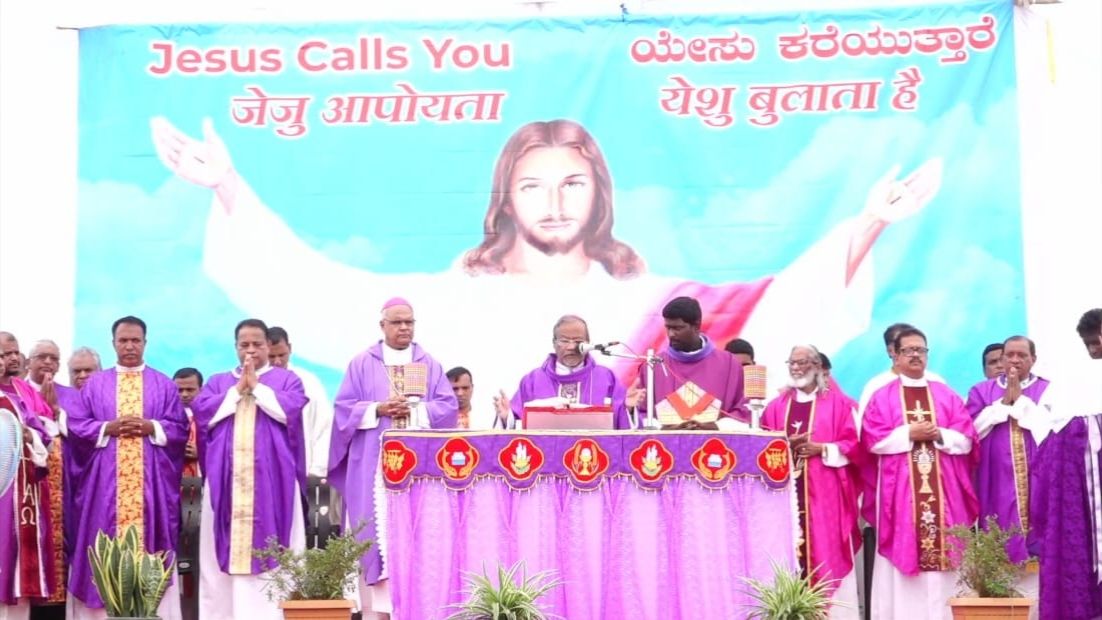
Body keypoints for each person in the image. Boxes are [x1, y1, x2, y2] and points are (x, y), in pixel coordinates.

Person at [150, 117, 942, 439]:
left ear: (600, 193)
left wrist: (870, 221)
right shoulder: (453, 295)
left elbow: (777, 305)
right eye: (533, 185)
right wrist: (228, 186)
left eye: (573, 183)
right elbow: (316, 289)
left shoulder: (646, 299)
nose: (555, 202)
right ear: (506, 196)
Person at [328, 298, 457, 619]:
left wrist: (415, 410)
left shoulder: (429, 364)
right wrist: (379, 408)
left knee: (418, 536)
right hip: (374, 468)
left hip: (418, 471)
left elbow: (447, 408)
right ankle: (376, 612)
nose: (404, 328)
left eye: (409, 322)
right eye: (397, 322)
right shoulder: (362, 364)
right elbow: (343, 409)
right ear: (382, 325)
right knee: (375, 534)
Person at [65, 316, 188, 620]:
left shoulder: (163, 384)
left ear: (145, 342)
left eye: (135, 340)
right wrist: (107, 428)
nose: (130, 346)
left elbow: (179, 429)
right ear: (113, 343)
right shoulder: (96, 384)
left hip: (150, 487)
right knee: (101, 541)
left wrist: (151, 427)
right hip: (104, 487)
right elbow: (77, 426)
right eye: (123, 340)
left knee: (151, 546)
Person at [190, 319, 307, 620]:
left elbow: (291, 412)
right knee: (218, 561)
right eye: (244, 345)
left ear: (268, 346)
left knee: (278, 553)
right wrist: (236, 391)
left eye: (257, 344)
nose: (251, 350)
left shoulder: (286, 380)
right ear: (235, 347)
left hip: (274, 483)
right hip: (225, 483)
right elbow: (203, 413)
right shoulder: (218, 382)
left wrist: (257, 388)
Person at [860, 327, 978, 620]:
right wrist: (908, 433)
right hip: (901, 494)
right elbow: (872, 440)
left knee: (949, 551)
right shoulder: (882, 396)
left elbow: (967, 439)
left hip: (945, 495)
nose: (915, 355)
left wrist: (939, 434)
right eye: (908, 350)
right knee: (904, 552)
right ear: (895, 355)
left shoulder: (946, 394)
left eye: (921, 350)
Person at [761, 345, 861, 619]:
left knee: (827, 552)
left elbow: (856, 447)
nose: (796, 368)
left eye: (802, 362)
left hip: (825, 496)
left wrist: (823, 449)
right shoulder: (776, 407)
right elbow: (762, 449)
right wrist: (785, 444)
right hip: (785, 499)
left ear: (817, 366)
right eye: (792, 363)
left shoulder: (840, 405)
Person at [1027, 308, 1102, 620]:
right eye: (1089, 344)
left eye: (1096, 341)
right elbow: (1049, 439)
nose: (1094, 350)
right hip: (1081, 486)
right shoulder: (1072, 385)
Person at [965, 335, 1049, 613]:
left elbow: (1051, 429)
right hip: (996, 482)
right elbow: (970, 431)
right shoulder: (981, 391)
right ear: (1001, 359)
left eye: (1021, 355)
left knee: (1042, 534)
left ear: (1033, 359)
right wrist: (1002, 406)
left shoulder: (1048, 390)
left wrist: (1022, 403)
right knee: (998, 536)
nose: (1014, 360)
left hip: (1039, 480)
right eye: (1009, 355)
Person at [494, 315, 641, 430]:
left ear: (588, 344)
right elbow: (518, 426)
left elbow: (622, 430)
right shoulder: (532, 381)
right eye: (564, 341)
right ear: (554, 343)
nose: (571, 347)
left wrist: (628, 409)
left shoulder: (606, 378)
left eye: (578, 341)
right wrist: (507, 417)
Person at [0, 332, 55, 620]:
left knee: (18, 570)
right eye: (3, 354)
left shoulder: (22, 392)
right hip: (2, 493)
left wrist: (28, 435)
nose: (10, 359)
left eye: (14, 353)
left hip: (23, 492)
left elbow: (43, 431)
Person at [636, 297, 750, 430]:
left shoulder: (729, 365)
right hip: (665, 443)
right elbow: (640, 413)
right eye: (668, 327)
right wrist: (663, 428)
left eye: (678, 328)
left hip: (716, 442)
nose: (671, 334)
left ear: (696, 326)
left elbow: (743, 410)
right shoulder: (652, 366)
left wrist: (716, 427)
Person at [24, 341, 74, 619]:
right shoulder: (16, 392)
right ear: (28, 362)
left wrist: (57, 412)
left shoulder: (70, 395)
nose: (47, 362)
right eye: (41, 357)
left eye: (53, 358)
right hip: (28, 485)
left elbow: (81, 434)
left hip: (63, 487)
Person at [267, 326, 332, 478]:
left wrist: (317, 469)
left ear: (290, 349)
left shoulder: (308, 382)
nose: (277, 361)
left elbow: (325, 426)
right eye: (271, 356)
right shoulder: (255, 383)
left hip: (303, 468)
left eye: (282, 355)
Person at [856, 323, 944, 426]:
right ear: (890, 351)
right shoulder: (876, 386)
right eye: (906, 348)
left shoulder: (937, 383)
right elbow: (866, 428)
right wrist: (907, 433)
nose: (914, 353)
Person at [172, 368, 203, 478]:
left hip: (201, 476)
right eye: (179, 390)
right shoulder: (164, 417)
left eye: (190, 390)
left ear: (201, 390)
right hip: (172, 476)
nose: (184, 394)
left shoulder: (212, 416)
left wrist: (202, 452)